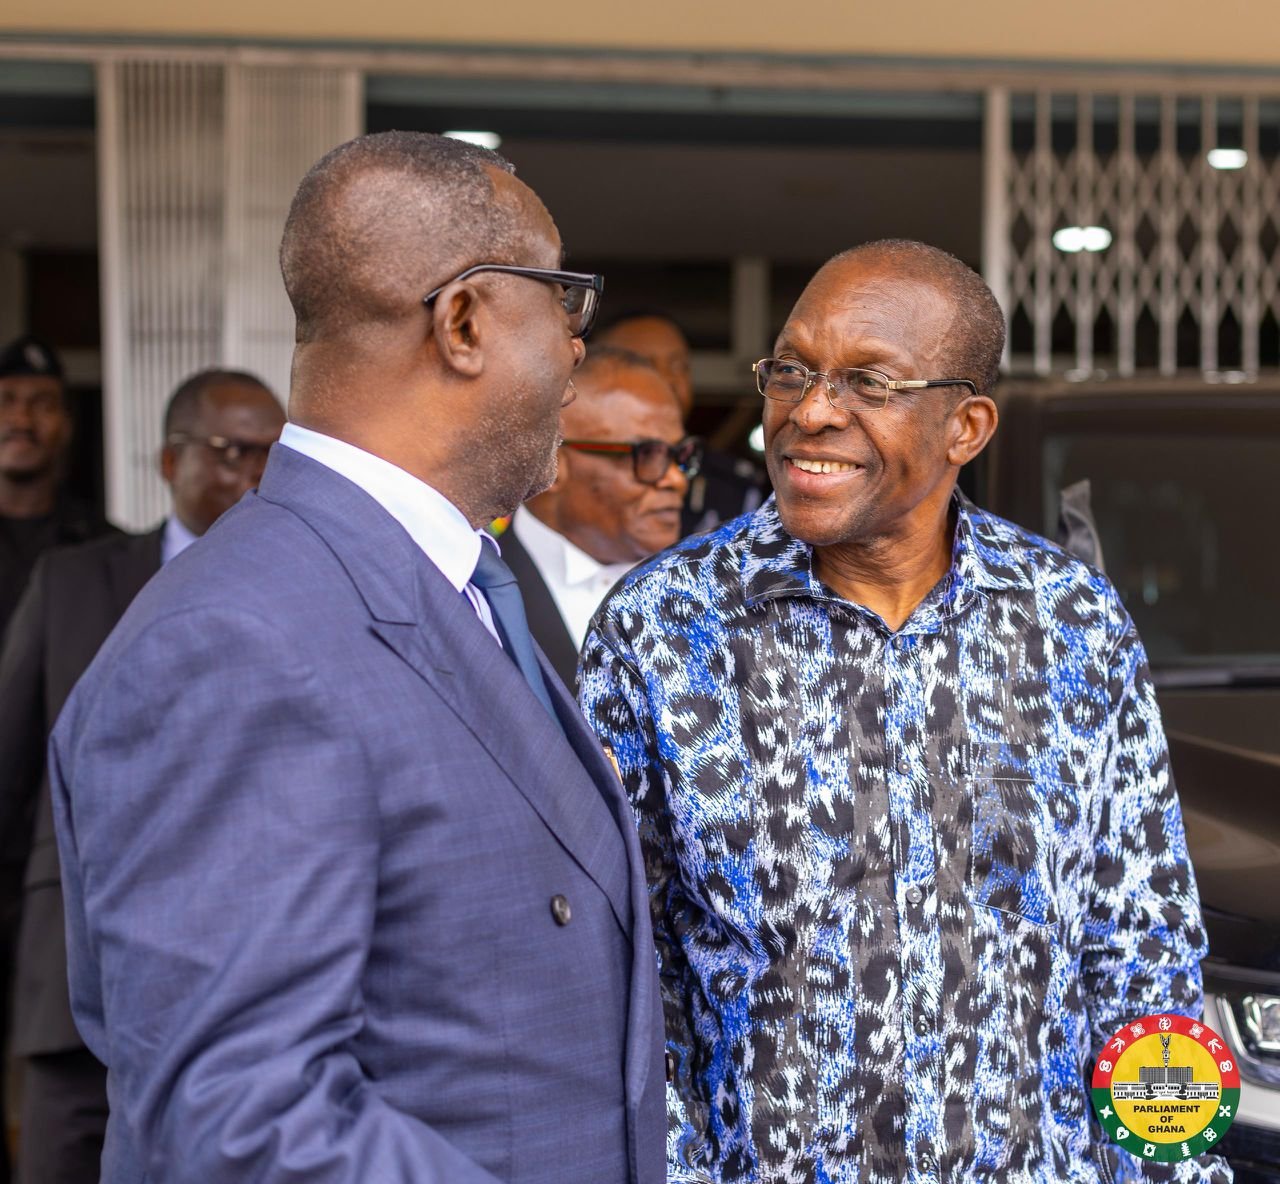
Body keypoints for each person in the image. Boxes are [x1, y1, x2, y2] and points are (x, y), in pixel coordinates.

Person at [48, 130, 664, 1184]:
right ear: (463, 319)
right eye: (561, 302)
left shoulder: (445, 581)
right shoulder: (235, 644)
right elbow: (238, 1122)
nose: (575, 348)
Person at [578, 240, 1229, 1183]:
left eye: (869, 384)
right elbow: (628, 979)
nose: (810, 413)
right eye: (792, 370)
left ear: (965, 427)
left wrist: (1172, 1172)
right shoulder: (660, 630)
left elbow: (1142, 955)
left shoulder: (1072, 623)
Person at [0, 368, 283, 1184]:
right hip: (76, 978)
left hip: (248, 989)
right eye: (235, 452)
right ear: (170, 461)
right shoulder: (73, 582)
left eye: (275, 454)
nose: (257, 477)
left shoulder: (315, 590)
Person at [503, 345, 698, 686]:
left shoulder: (708, 586)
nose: (676, 479)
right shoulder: (470, 589)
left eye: (679, 454)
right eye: (647, 454)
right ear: (552, 460)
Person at [596, 312, 766, 536]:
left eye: (678, 367)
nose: (668, 380)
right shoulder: (565, 468)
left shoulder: (735, 488)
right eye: (645, 366)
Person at [0, 335, 112, 635]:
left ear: (66, 426)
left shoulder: (105, 546)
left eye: (42, 404)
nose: (21, 420)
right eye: (6, 400)